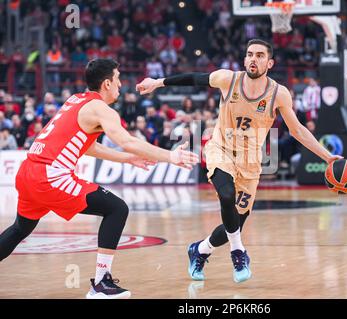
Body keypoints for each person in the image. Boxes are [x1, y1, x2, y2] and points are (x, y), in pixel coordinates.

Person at [136, 39, 341, 283]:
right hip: (220, 149)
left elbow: (297, 130)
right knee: (226, 196)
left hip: (251, 163)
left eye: (260, 55)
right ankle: (238, 251)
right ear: (244, 59)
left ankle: (199, 250)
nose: (253, 59)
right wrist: (157, 83)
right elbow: (194, 77)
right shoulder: (228, 79)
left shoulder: (279, 94)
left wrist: (327, 157)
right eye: (249, 54)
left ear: (270, 62)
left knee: (234, 223)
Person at [0, 59, 199, 299]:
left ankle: (102, 283)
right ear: (106, 83)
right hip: (49, 176)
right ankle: (102, 283)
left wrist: (126, 159)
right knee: (116, 208)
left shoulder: (76, 99)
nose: (120, 85)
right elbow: (127, 140)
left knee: (21, 228)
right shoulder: (101, 109)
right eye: (117, 79)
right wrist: (171, 156)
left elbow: (89, 147)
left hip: (28, 171)